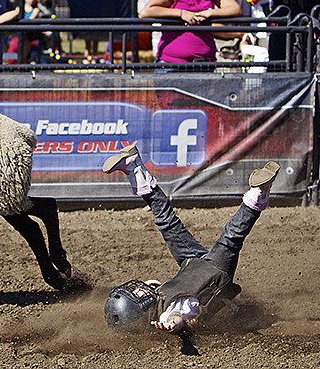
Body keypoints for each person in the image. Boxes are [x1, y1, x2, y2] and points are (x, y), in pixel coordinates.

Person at [102, 142, 280, 334]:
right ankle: (259, 192)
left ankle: (133, 166)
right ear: (140, 313)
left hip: (191, 263)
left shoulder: (156, 303)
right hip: (215, 270)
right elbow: (176, 318)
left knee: (167, 223)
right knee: (231, 236)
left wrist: (153, 286)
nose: (140, 290)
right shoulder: (167, 314)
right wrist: (172, 325)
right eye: (136, 295)